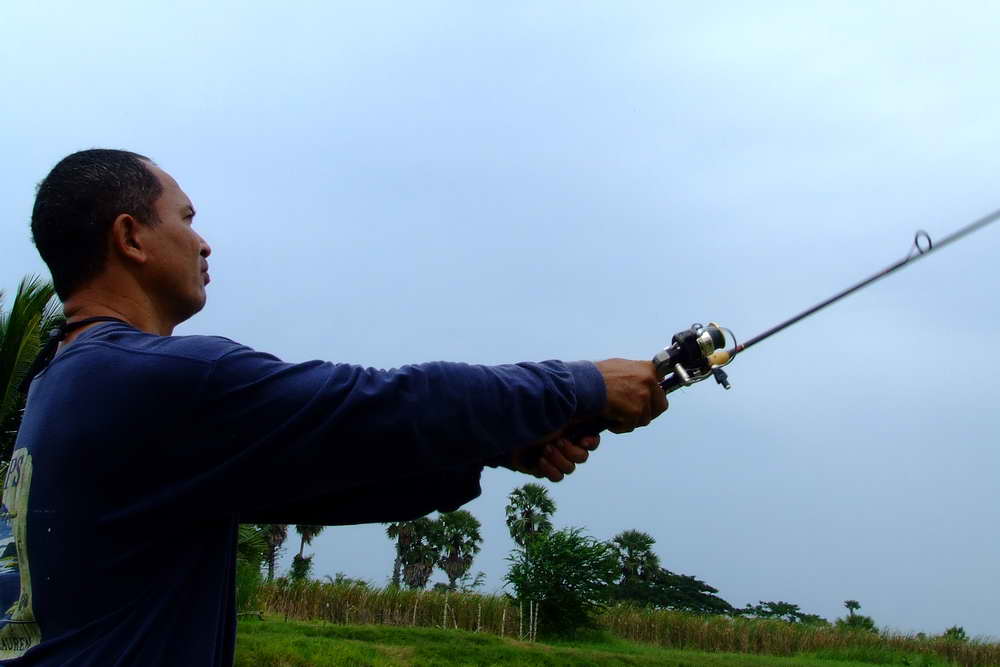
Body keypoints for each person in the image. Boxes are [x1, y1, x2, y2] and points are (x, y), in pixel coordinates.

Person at [0, 149, 668, 665]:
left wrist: (493, 448)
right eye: (186, 218)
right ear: (130, 236)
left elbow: (323, 483)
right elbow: (383, 403)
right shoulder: (150, 378)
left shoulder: (61, 381)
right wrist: (582, 385)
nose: (204, 244)